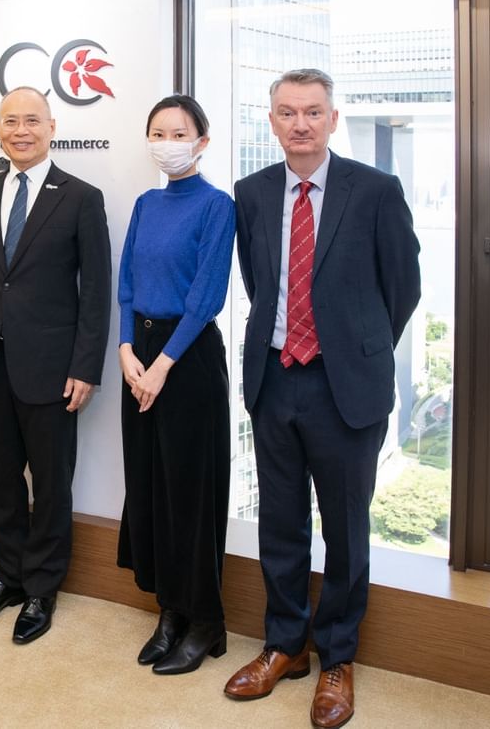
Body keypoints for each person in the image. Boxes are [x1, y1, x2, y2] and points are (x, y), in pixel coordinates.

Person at [223, 68, 421, 728]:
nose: (300, 123)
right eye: (287, 112)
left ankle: (338, 656)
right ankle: (286, 646)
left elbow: (402, 287)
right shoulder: (251, 193)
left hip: (346, 388)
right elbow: (259, 283)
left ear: (333, 119)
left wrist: (355, 346)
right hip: (275, 378)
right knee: (280, 524)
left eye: (312, 112)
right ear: (272, 122)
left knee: (345, 529)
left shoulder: (376, 190)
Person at [0, 86, 111, 645]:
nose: (21, 131)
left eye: (32, 121)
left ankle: (41, 587)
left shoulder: (81, 197)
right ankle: (7, 576)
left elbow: (96, 292)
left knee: (52, 484)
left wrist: (86, 366)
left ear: (52, 126)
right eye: (10, 122)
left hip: (53, 369)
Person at [116, 95, 235, 675]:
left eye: (179, 133)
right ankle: (170, 609)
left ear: (202, 142)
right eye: (158, 133)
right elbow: (126, 284)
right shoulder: (146, 203)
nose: (168, 143)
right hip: (139, 356)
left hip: (186, 360)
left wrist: (162, 365)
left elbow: (206, 296)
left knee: (191, 492)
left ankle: (206, 620)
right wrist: (125, 349)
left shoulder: (217, 206)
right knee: (151, 486)